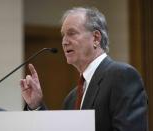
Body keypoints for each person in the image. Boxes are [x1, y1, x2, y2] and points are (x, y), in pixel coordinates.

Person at [20, 7, 148, 131]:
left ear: (96, 38)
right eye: (63, 35)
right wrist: (36, 105)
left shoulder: (122, 76)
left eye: (72, 33)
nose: (64, 41)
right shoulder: (71, 99)